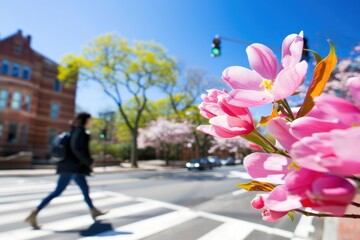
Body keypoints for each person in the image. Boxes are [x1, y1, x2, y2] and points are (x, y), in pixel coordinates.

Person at [25, 112, 107, 229]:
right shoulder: (79, 131)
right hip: (71, 167)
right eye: (90, 119)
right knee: (58, 191)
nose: (91, 121)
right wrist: (89, 162)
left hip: (73, 167)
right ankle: (34, 212)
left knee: (85, 189)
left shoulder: (75, 130)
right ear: (85, 120)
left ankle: (93, 210)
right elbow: (76, 148)